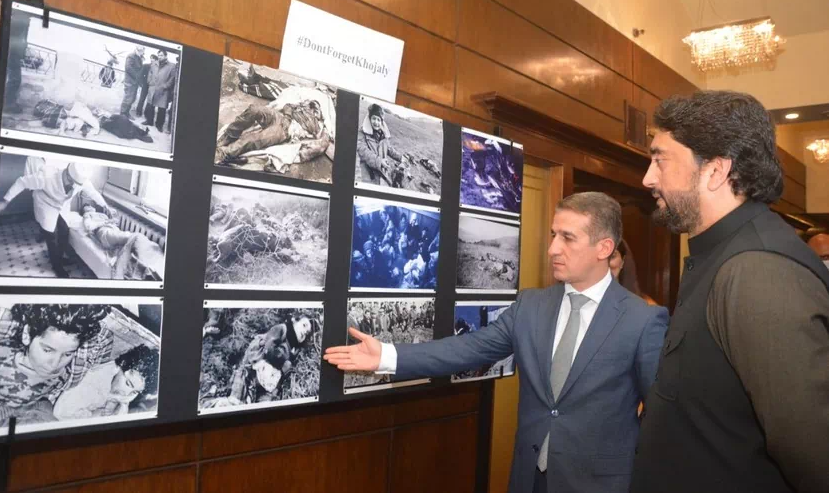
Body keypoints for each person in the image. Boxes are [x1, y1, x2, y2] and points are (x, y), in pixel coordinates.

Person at [326, 192, 669, 493]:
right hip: (529, 478)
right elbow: (468, 349)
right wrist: (387, 356)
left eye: (568, 238)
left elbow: (661, 417)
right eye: (553, 235)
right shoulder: (531, 306)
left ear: (604, 248)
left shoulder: (642, 320)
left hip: (600, 484)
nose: (553, 248)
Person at [631, 90, 829, 493]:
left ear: (716, 170)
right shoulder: (723, 253)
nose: (648, 178)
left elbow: (815, 458)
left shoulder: (758, 271)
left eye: (660, 159)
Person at [0, 304, 113, 427]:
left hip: (33, 407)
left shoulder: (67, 372)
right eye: (47, 350)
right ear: (27, 335)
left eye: (67, 354)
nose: (54, 364)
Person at [0, 158, 115, 278]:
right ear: (67, 174)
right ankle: (56, 266)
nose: (74, 186)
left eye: (77, 184)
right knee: (51, 235)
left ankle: (60, 257)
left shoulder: (81, 181)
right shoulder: (46, 176)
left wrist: (105, 205)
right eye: (72, 182)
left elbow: (93, 193)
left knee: (64, 229)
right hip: (45, 203)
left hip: (61, 205)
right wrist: (5, 201)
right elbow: (22, 182)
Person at [215, 88, 333, 168]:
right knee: (254, 109)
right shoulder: (304, 106)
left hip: (284, 131)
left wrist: (325, 135)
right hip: (280, 117)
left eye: (317, 110)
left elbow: (322, 142)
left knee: (253, 139)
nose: (315, 111)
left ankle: (223, 154)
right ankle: (229, 135)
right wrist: (287, 116)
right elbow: (288, 106)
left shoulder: (318, 127)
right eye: (314, 107)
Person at [53, 344, 159, 420]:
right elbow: (60, 413)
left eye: (135, 392)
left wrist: (121, 406)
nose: (126, 394)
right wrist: (103, 412)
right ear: (120, 366)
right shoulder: (94, 384)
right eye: (128, 384)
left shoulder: (121, 377)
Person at [608, 240, 656, 305]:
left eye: (612, 256)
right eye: (596, 257)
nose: (604, 264)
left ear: (623, 261)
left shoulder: (646, 306)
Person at [356, 103, 393, 185]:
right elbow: (363, 151)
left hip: (382, 171)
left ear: (381, 122)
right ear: (369, 119)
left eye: (378, 120)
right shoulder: (362, 133)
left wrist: (401, 158)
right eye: (374, 118)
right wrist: (379, 161)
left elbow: (389, 149)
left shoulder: (383, 135)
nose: (376, 122)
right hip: (369, 175)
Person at [144, 50, 177, 133]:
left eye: (161, 55)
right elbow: (150, 73)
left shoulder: (172, 66)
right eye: (158, 55)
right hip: (153, 88)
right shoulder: (154, 64)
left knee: (162, 109)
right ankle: (149, 121)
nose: (159, 57)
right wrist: (149, 81)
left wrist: (166, 86)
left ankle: (159, 125)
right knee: (150, 106)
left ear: (166, 56)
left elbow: (172, 78)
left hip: (163, 90)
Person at [120, 46, 145, 118]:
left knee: (132, 98)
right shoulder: (131, 56)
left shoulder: (138, 57)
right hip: (130, 82)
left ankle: (126, 113)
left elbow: (139, 69)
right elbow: (128, 68)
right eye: (142, 51)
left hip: (135, 82)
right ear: (137, 50)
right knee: (128, 98)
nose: (143, 53)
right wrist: (137, 77)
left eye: (143, 51)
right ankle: (122, 114)